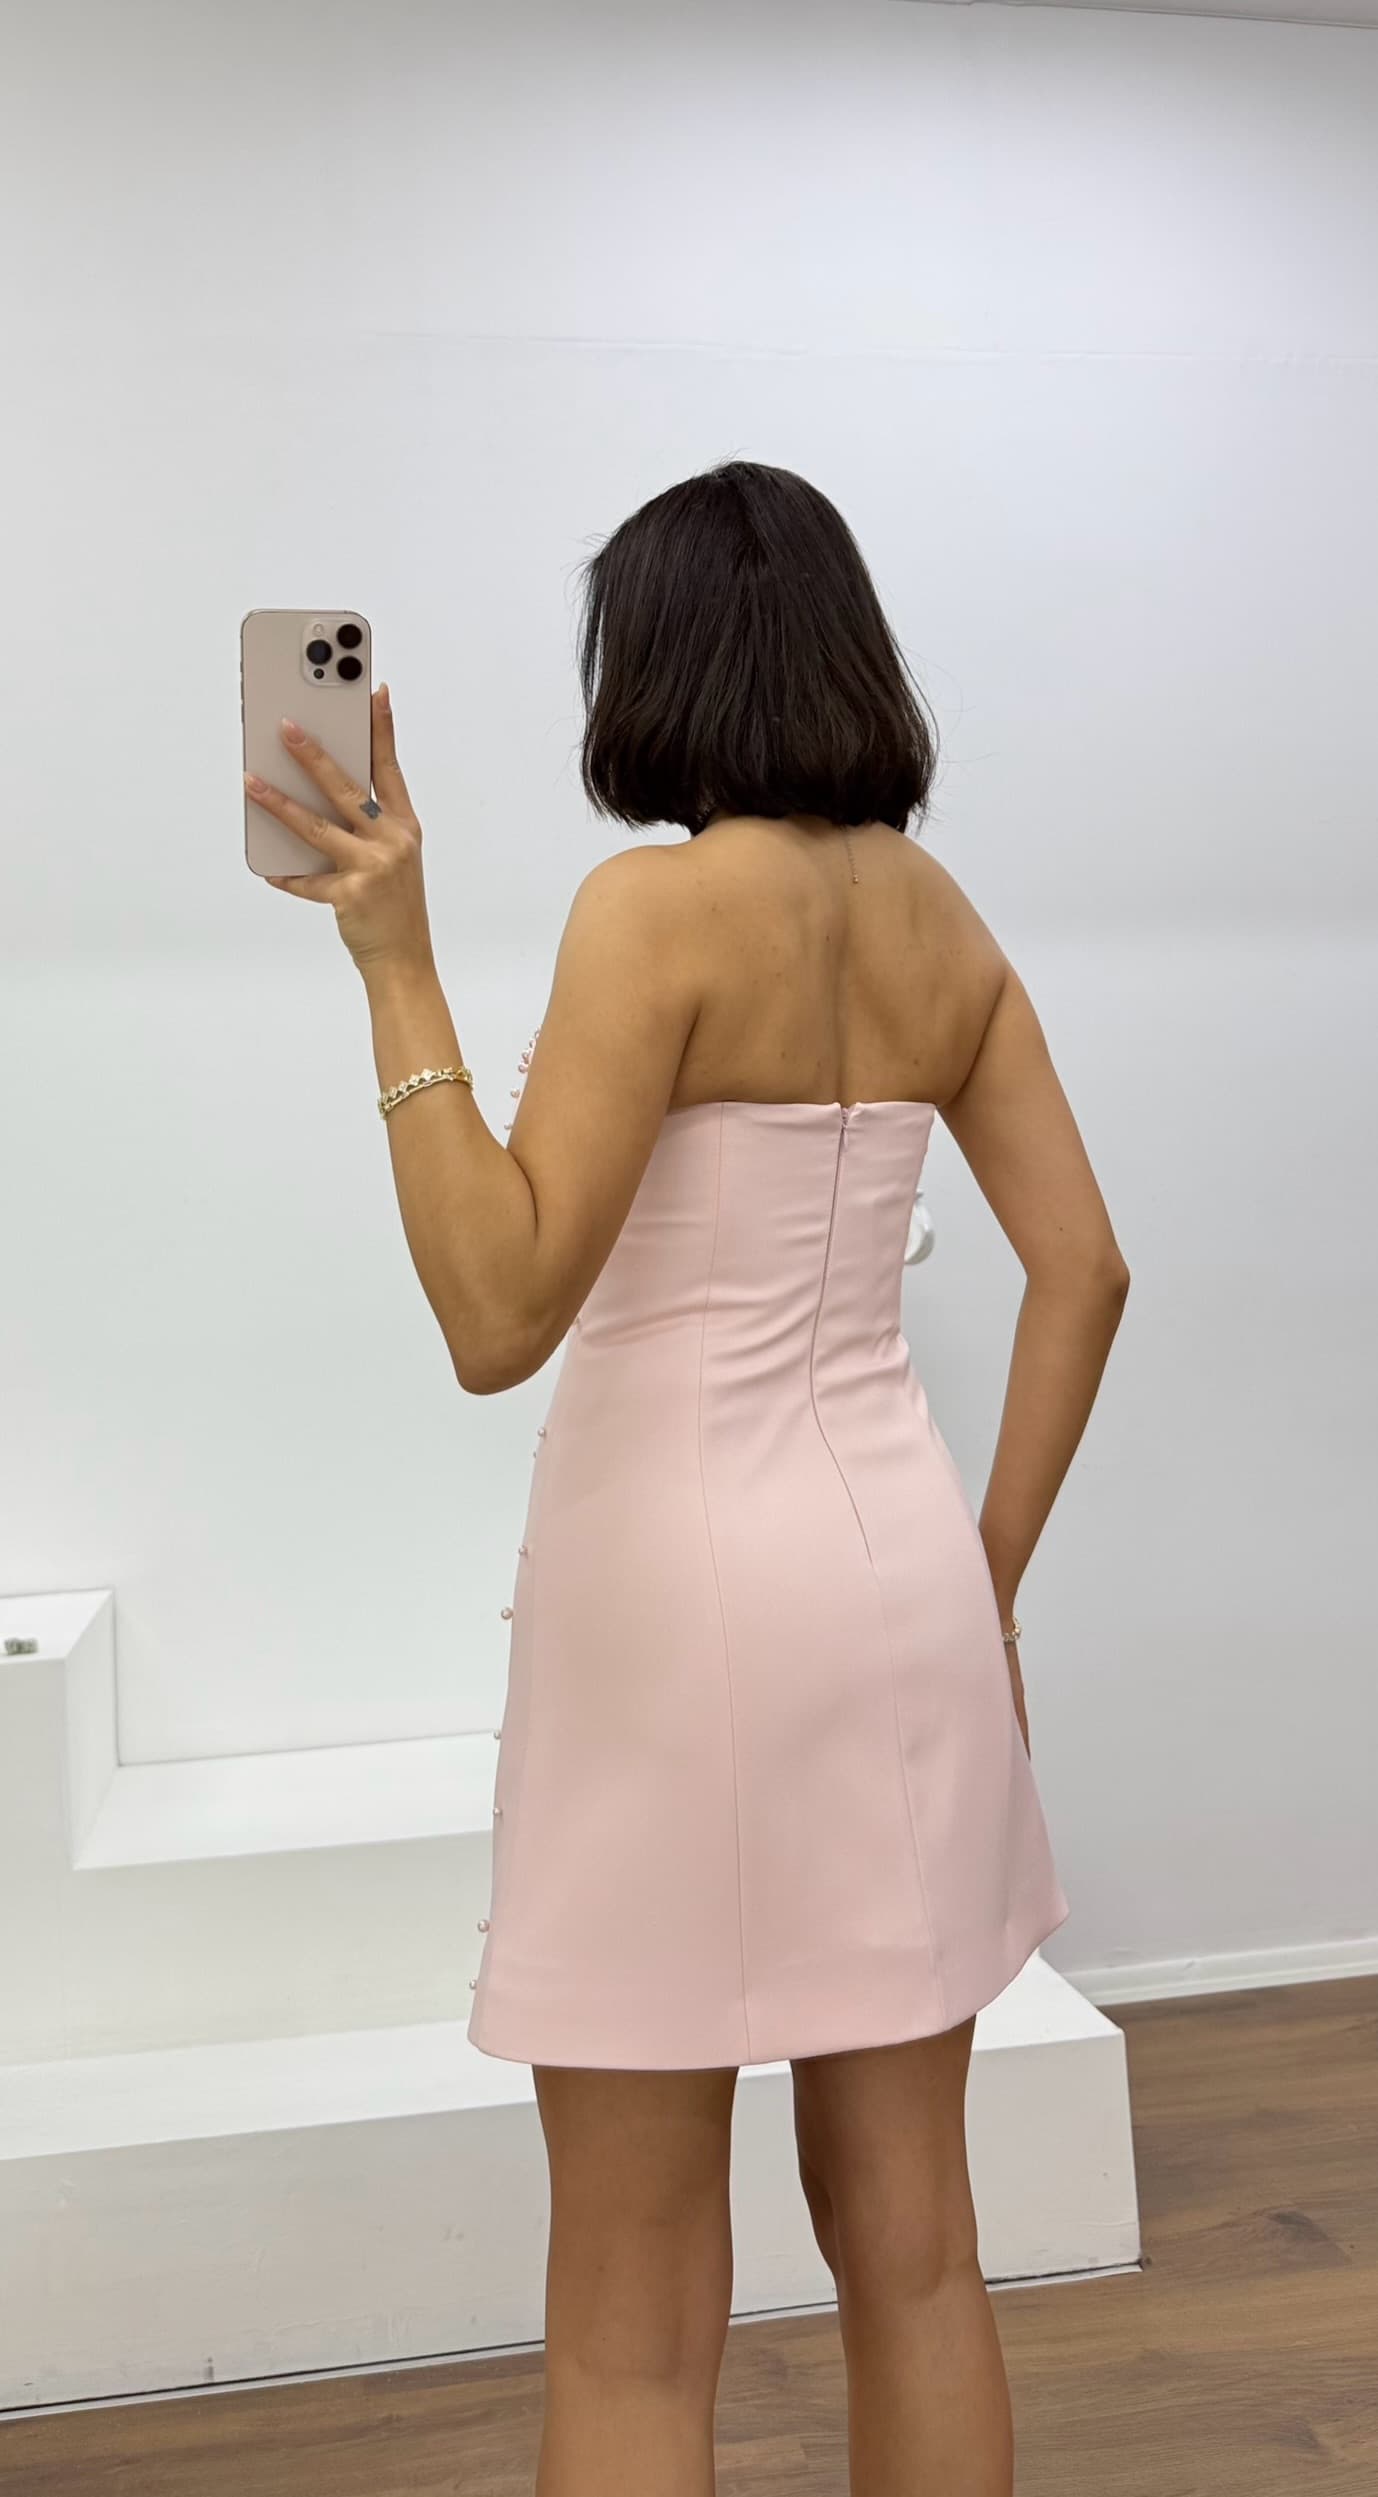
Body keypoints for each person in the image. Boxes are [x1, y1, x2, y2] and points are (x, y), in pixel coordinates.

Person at [252, 458, 1131, 2497]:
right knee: (917, 2254)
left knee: (632, 2323)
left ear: (649, 665)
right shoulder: (937, 918)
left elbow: (497, 1312)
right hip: (896, 1590)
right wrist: (988, 1579)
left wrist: (394, 966)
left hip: (666, 1612)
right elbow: (1083, 1268)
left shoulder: (648, 912)